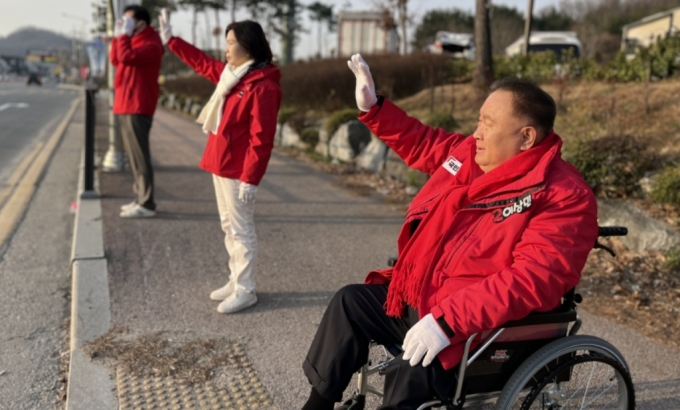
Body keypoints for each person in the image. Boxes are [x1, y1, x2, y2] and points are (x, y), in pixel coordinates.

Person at [300, 55, 599, 409]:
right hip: (426, 296)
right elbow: (424, 143)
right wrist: (374, 108)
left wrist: (445, 323)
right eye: (478, 121)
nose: (477, 133)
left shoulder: (564, 196)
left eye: (488, 124)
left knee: (412, 366)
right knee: (350, 303)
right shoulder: (470, 155)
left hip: (478, 329)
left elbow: (532, 279)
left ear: (526, 137)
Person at [158, 12, 282, 314]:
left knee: (241, 230)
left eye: (230, 43)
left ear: (248, 46)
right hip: (221, 163)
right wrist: (171, 40)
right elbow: (200, 62)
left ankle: (246, 289)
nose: (225, 49)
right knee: (229, 226)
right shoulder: (232, 75)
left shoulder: (263, 86)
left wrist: (251, 179)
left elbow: (261, 139)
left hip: (239, 171)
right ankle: (235, 278)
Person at [110, 5, 164, 218]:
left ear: (141, 23)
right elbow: (115, 59)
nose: (125, 26)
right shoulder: (133, 40)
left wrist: (123, 37)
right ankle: (140, 197)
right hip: (126, 103)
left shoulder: (152, 43)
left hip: (138, 105)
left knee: (140, 156)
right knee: (132, 157)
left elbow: (126, 57)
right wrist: (118, 37)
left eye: (129, 21)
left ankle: (147, 202)